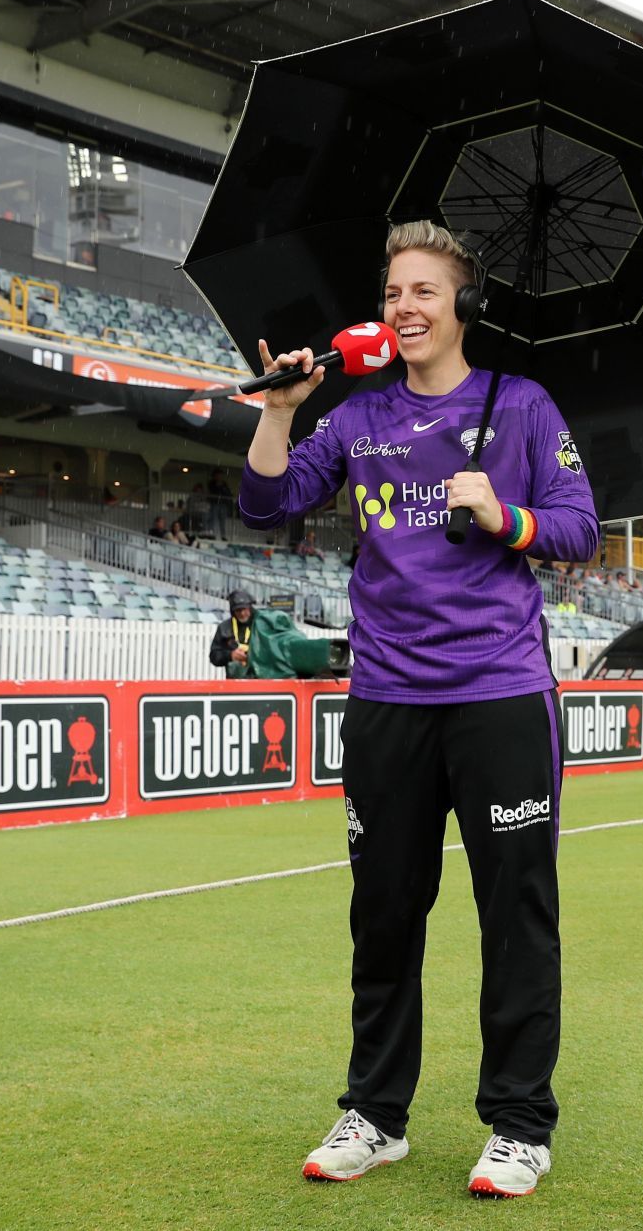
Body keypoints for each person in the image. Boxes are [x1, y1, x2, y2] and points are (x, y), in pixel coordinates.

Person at [243, 220, 598, 1199]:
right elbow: (266, 504)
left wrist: (502, 514)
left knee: (516, 916)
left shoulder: (519, 407)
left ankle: (520, 1123)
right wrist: (281, 409)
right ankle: (376, 1114)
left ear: (462, 306)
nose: (404, 306)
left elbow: (579, 529)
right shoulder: (356, 420)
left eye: (425, 291)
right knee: (386, 914)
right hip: (388, 700)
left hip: (500, 697)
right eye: (394, 290)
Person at [209, 588, 257, 678]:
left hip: (261, 681)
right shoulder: (224, 628)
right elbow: (214, 656)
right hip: (234, 682)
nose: (242, 613)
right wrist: (230, 656)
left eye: (244, 609)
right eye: (238, 610)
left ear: (250, 608)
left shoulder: (261, 624)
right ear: (232, 611)